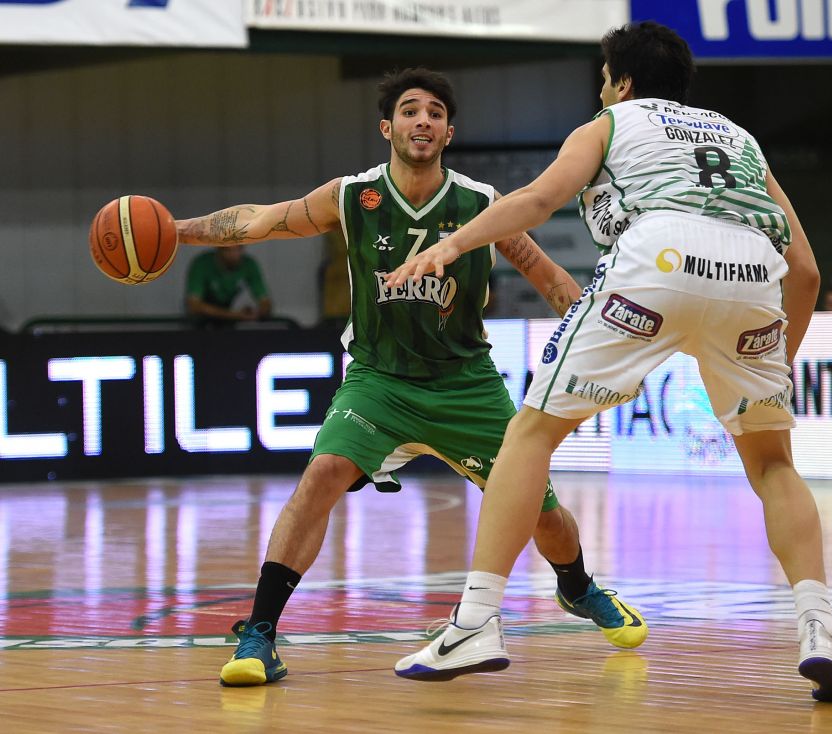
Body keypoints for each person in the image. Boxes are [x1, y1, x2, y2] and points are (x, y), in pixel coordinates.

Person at [389, 22, 832, 703]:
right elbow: (808, 272)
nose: (602, 91)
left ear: (624, 83)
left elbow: (537, 201)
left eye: (605, 80)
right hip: (754, 275)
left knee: (530, 434)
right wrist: (773, 368)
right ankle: (821, 631)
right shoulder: (740, 139)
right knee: (772, 464)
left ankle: (476, 622)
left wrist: (451, 245)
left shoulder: (611, 123)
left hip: (659, 258)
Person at [175, 68, 646, 687]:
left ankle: (577, 586)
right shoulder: (351, 196)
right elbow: (263, 220)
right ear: (387, 127)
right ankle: (260, 634)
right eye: (410, 110)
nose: (422, 119)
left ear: (449, 133)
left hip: (465, 383)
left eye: (435, 113)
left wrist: (617, 347)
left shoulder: (481, 203)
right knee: (321, 475)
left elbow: (552, 280)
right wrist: (176, 233)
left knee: (543, 512)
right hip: (380, 380)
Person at [184, 245, 272, 326]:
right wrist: (234, 315)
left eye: (239, 248)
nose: (234, 254)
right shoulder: (202, 263)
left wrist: (256, 313)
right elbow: (193, 306)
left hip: (228, 322)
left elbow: (265, 301)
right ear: (218, 248)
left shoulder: (249, 264)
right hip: (200, 325)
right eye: (227, 250)